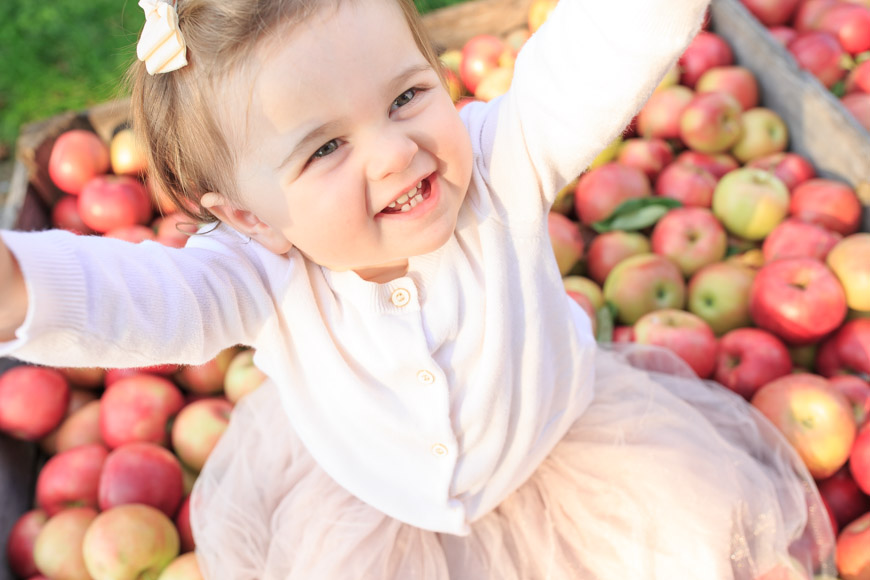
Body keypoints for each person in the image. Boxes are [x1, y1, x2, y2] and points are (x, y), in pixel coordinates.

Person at [0, 0, 837, 577]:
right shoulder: (256, 273)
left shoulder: (504, 161)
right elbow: (145, 298)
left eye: (407, 95)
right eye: (324, 149)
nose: (396, 152)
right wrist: (20, 288)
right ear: (247, 213)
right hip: (373, 512)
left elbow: (594, 60)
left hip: (565, 458)